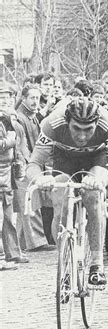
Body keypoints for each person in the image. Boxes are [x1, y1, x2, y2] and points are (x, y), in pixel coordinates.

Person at [26, 97, 108, 286]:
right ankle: (64, 261)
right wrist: (40, 179)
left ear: (96, 123)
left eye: (88, 129)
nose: (82, 136)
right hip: (65, 159)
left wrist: (103, 180)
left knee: (93, 194)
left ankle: (97, 265)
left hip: (97, 158)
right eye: (76, 129)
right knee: (60, 195)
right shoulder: (52, 123)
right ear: (67, 122)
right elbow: (33, 164)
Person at [15, 84, 56, 250]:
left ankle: (22, 242)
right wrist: (28, 164)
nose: (35, 101)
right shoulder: (20, 117)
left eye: (37, 98)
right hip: (23, 164)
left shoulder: (32, 117)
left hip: (32, 163)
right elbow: (21, 144)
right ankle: (36, 242)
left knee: (26, 203)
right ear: (23, 98)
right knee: (30, 202)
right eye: (31, 98)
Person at [0, 82, 28, 269]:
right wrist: (11, 139)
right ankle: (2, 257)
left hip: (7, 172)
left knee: (9, 215)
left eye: (9, 97)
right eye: (2, 97)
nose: (6, 100)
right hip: (1, 170)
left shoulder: (11, 118)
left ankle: (12, 252)